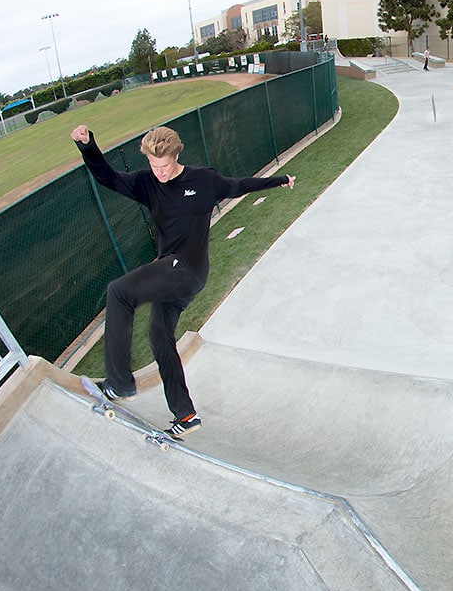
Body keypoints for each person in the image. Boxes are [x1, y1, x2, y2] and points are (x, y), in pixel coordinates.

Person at [71, 124, 295, 436]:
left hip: (186, 269)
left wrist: (280, 180)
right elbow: (108, 178)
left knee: (118, 292)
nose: (158, 172)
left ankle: (119, 384)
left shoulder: (204, 180)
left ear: (177, 156)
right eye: (152, 164)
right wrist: (88, 147)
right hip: (171, 276)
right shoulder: (147, 182)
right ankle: (186, 414)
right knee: (160, 339)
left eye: (163, 165)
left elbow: (239, 184)